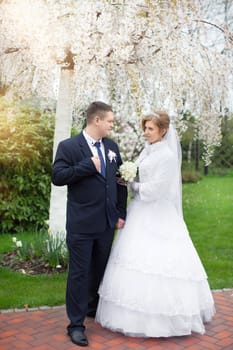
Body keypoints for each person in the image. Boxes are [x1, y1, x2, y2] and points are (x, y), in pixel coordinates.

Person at [96, 111, 215, 337]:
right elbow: (138, 169)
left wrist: (134, 185)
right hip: (141, 211)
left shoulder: (167, 156)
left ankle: (164, 319)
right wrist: (126, 175)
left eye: (151, 129)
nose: (146, 132)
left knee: (160, 264)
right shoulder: (148, 149)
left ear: (163, 131)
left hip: (158, 213)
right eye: (145, 128)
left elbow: (157, 189)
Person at [52, 101, 128, 346]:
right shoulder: (69, 146)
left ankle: (92, 309)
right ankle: (75, 325)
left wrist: (120, 213)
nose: (111, 125)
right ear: (97, 120)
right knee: (79, 274)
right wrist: (87, 166)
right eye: (109, 121)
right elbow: (58, 177)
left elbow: (120, 181)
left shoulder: (112, 147)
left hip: (106, 223)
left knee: (100, 270)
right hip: (82, 225)